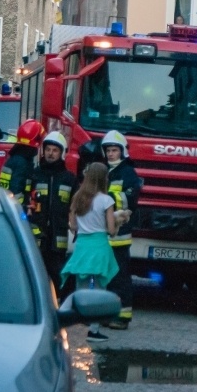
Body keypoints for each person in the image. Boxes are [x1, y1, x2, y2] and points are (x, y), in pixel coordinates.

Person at [60, 162, 120, 343]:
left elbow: (73, 226)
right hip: (100, 246)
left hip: (83, 246)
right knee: (100, 289)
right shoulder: (106, 200)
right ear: (103, 179)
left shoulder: (78, 197)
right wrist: (118, 222)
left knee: (82, 287)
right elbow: (111, 230)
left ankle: (77, 323)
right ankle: (94, 330)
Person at [101, 130, 141, 329]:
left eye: (114, 150)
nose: (110, 154)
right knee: (105, 277)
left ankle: (122, 317)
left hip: (120, 234)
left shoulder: (128, 173)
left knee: (120, 277)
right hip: (102, 232)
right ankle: (107, 314)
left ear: (122, 151)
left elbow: (129, 200)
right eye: (108, 150)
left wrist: (105, 199)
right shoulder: (103, 171)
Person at [29, 131, 77, 292]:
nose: (50, 153)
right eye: (48, 149)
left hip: (59, 237)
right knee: (35, 274)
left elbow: (76, 206)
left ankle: (59, 303)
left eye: (55, 150)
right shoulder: (35, 175)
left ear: (62, 153)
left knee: (59, 276)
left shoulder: (69, 179)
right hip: (37, 235)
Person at [0, 119, 46, 241]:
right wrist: (24, 208)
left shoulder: (15, 159)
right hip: (16, 213)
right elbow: (16, 190)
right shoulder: (22, 163)